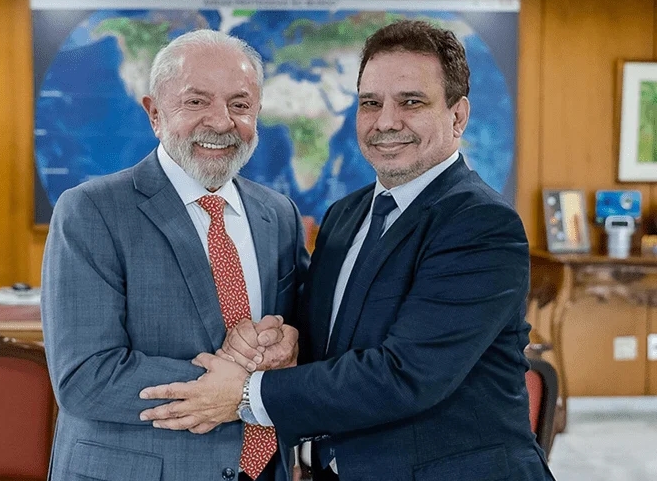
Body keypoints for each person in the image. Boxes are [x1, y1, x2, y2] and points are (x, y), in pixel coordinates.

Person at [138, 19, 557, 481]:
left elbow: (406, 374)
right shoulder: (345, 215)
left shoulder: (481, 224)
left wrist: (245, 394)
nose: (386, 121)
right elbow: (325, 341)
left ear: (457, 117)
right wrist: (279, 341)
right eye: (370, 103)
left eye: (411, 102)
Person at [40, 29, 308, 481]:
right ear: (155, 114)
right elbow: (84, 376)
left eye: (240, 105)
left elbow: (303, 330)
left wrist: (291, 344)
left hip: (265, 468)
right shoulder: (91, 211)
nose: (221, 122)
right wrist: (240, 392)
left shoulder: (279, 213)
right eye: (196, 101)